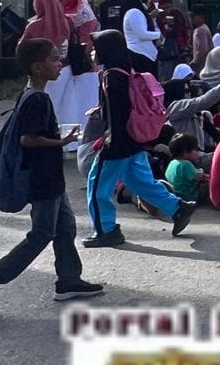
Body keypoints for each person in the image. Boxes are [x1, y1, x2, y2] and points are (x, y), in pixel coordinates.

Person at [0, 37, 102, 315]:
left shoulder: (31, 93)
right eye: (54, 59)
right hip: (42, 180)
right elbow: (28, 139)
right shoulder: (38, 99)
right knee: (42, 234)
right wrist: (61, 142)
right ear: (38, 67)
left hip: (50, 178)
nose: (60, 64)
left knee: (66, 227)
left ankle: (68, 279)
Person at [83, 30, 196, 247]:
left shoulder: (111, 76)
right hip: (134, 140)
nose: (92, 53)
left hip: (117, 143)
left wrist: (109, 143)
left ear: (106, 50)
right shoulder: (126, 70)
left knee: (97, 187)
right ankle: (178, 208)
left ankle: (106, 230)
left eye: (95, 49)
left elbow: (117, 114)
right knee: (140, 182)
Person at [20, 0, 93, 152]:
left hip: (41, 71)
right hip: (65, 70)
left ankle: (46, 139)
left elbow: (22, 47)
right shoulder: (66, 22)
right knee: (66, 105)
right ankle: (69, 142)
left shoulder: (34, 25)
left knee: (43, 105)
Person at [120, 0, 162, 75]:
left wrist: (153, 19)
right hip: (139, 54)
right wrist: (158, 35)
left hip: (146, 55)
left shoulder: (138, 12)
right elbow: (142, 35)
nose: (150, 1)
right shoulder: (135, 12)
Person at [165, 134, 206, 204]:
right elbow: (199, 177)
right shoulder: (185, 164)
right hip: (188, 196)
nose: (197, 152)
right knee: (209, 183)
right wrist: (201, 172)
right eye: (196, 149)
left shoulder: (172, 163)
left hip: (176, 194)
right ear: (185, 152)